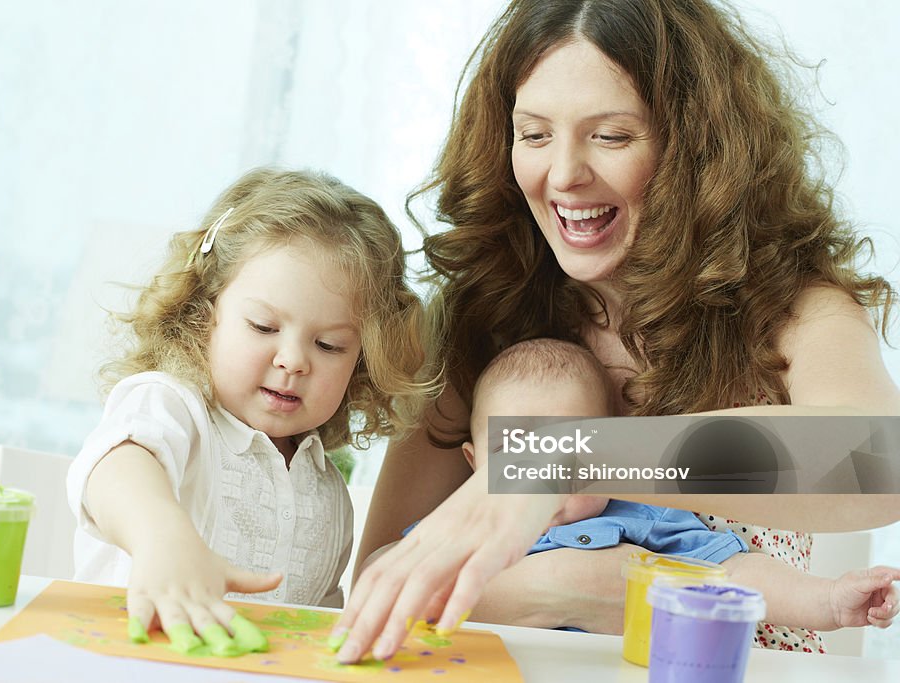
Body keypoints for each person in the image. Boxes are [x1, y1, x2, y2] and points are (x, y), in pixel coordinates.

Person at [334, 0, 900, 664]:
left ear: (696, 147)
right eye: (535, 133)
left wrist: (554, 459)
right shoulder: (481, 318)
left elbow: (876, 461)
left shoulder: (794, 307)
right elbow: (377, 586)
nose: (565, 173)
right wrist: (575, 584)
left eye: (610, 135)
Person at [66, 168, 434, 652]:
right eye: (263, 326)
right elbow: (117, 467)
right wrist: (162, 538)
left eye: (329, 345)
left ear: (364, 359)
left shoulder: (328, 493)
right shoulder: (171, 405)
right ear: (204, 314)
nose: (293, 360)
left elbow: (314, 626)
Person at [398, 338, 897, 640]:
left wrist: (827, 601)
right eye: (515, 455)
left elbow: (735, 573)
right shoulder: (461, 528)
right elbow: (387, 579)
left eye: (573, 453)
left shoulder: (644, 518)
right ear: (473, 462)